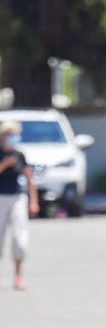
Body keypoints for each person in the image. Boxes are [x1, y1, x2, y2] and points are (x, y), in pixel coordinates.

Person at [0, 121, 39, 290]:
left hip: (17, 197)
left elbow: (30, 179)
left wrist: (33, 201)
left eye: (14, 134)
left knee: (19, 238)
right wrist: (4, 165)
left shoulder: (19, 155)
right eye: (9, 135)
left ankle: (18, 276)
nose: (12, 138)